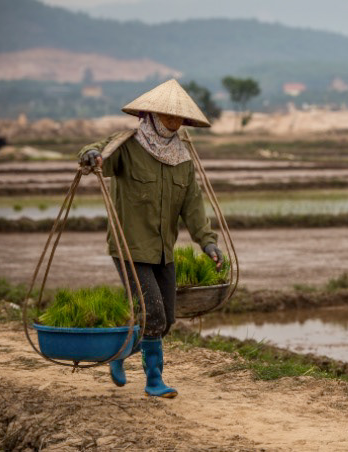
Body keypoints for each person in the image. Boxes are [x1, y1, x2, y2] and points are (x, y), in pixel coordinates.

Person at [78, 79, 223, 398]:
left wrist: (207, 241)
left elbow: (193, 205)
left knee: (167, 319)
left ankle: (119, 354)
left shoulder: (183, 158)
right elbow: (100, 154)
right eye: (167, 116)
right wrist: (90, 154)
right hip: (130, 246)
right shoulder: (128, 146)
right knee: (153, 314)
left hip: (162, 250)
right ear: (152, 114)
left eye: (178, 119)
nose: (173, 123)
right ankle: (154, 380)